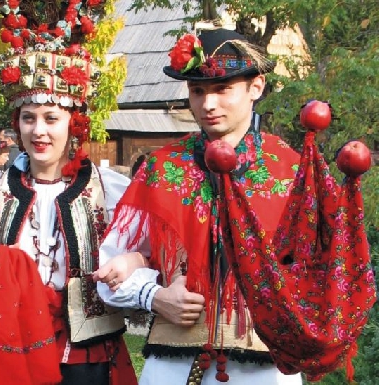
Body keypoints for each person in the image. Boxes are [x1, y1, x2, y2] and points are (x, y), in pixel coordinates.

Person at [94, 27, 376, 385]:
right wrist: (156, 295)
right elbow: (110, 271)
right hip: (173, 365)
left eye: (222, 89)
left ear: (255, 88)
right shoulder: (161, 169)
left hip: (264, 369)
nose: (208, 104)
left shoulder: (291, 170)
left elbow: (325, 269)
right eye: (197, 91)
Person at [0, 2, 138, 385]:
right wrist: (7, 275)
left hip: (87, 359)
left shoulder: (110, 189)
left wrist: (131, 265)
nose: (38, 131)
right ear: (17, 123)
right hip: (11, 357)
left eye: (51, 118)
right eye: (29, 118)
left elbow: (149, 261)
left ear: (73, 124)